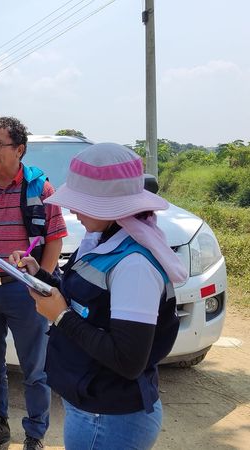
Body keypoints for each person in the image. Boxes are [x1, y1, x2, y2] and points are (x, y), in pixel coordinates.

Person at [11, 143, 188, 450]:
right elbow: (87, 300)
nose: (73, 210)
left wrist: (61, 316)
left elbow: (128, 360)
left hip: (107, 420)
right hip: (93, 407)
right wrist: (40, 275)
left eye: (82, 203)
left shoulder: (134, 266)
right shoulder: (103, 240)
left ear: (110, 206)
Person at [0, 117, 67, 450]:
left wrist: (41, 283)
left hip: (25, 292)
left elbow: (55, 239)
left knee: (36, 369)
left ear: (19, 149)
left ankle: (35, 435)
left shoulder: (40, 188)